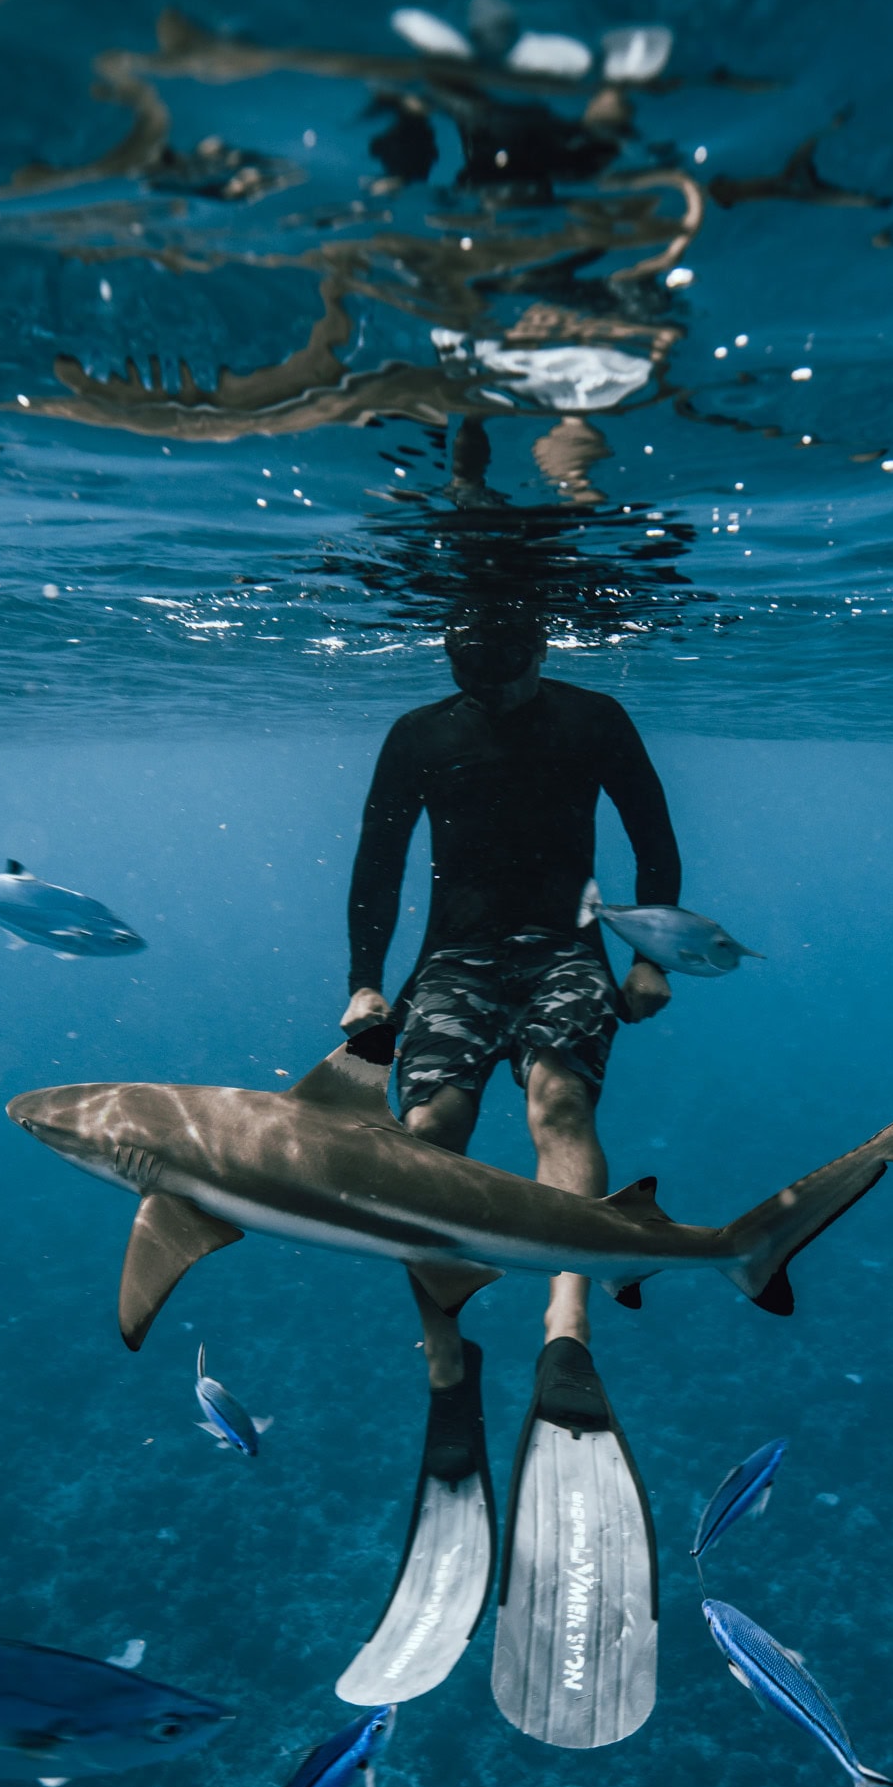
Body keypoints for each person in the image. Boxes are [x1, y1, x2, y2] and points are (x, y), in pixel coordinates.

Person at [342, 602, 681, 1467]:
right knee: (424, 1136)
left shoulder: (591, 717)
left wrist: (651, 956)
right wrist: (366, 983)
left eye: (502, 671)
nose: (487, 692)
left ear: (537, 645)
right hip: (453, 958)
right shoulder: (420, 734)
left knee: (559, 1107)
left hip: (568, 950)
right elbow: (378, 862)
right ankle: (447, 1352)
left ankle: (567, 1327)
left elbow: (653, 834)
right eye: (468, 673)